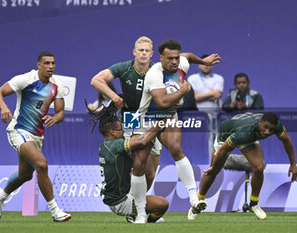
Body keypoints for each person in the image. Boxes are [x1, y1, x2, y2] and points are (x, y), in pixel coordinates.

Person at [132, 39, 222, 223]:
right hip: (146, 121)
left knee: (176, 149)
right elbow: (162, 102)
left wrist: (203, 62)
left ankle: (194, 199)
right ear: (161, 58)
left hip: (168, 118)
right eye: (169, 58)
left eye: (176, 58)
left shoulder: (181, 62)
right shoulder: (154, 75)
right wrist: (185, 89)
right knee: (142, 168)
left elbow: (187, 56)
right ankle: (139, 212)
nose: (174, 62)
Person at [0, 51, 71, 222]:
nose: (51, 67)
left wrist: (55, 118)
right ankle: (56, 211)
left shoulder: (57, 85)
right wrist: (4, 107)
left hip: (37, 136)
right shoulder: (26, 79)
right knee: (41, 164)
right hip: (18, 130)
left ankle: (0, 198)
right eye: (47, 63)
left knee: (25, 175)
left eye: (53, 63)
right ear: (39, 65)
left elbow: (61, 112)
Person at [197, 112, 297, 220]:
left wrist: (293, 164)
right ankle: (197, 203)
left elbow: (286, 140)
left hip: (249, 138)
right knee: (213, 171)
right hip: (226, 136)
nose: (267, 132)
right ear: (260, 123)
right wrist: (214, 166)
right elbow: (223, 150)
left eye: (271, 130)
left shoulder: (276, 126)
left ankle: (254, 204)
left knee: (259, 168)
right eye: (265, 127)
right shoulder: (243, 132)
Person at [91, 36, 160, 190]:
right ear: (134, 52)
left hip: (152, 117)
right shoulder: (123, 68)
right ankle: (130, 205)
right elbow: (96, 80)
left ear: (152, 53)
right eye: (140, 50)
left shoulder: (158, 70)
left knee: (150, 174)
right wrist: (115, 98)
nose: (143, 53)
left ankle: (137, 203)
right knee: (135, 166)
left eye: (147, 51)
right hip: (131, 116)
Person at [86, 102, 169, 223]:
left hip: (116, 197)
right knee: (162, 204)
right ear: (112, 132)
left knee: (138, 171)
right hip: (121, 202)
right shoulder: (115, 145)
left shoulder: (105, 146)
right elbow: (141, 141)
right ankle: (146, 219)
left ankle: (137, 215)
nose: (124, 132)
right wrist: (160, 124)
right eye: (121, 129)